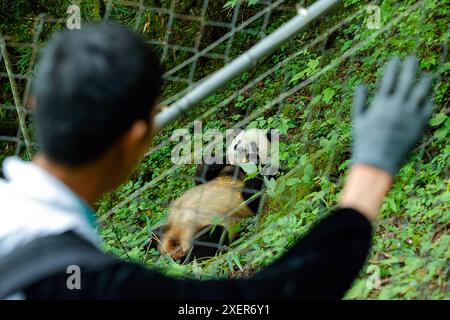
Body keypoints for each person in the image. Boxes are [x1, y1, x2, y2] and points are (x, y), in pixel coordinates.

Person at [0, 23, 434, 299]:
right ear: (140, 135)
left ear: (37, 105)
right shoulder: (91, 285)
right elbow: (260, 304)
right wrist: (372, 170)